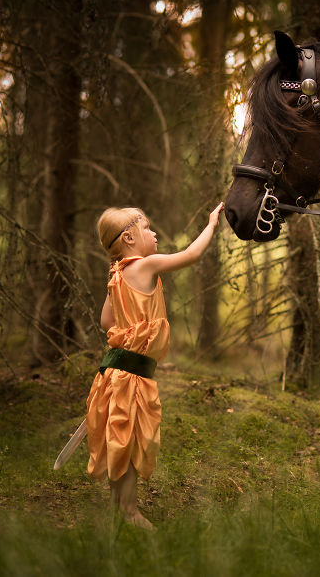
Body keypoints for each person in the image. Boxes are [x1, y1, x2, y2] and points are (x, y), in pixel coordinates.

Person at [87, 202, 224, 528]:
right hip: (132, 377)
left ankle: (119, 508)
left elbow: (106, 321)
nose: (154, 233)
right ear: (129, 238)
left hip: (114, 373)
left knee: (119, 440)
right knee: (131, 441)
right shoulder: (145, 266)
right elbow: (191, 255)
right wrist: (211, 225)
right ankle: (130, 512)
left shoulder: (117, 276)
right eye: (147, 228)